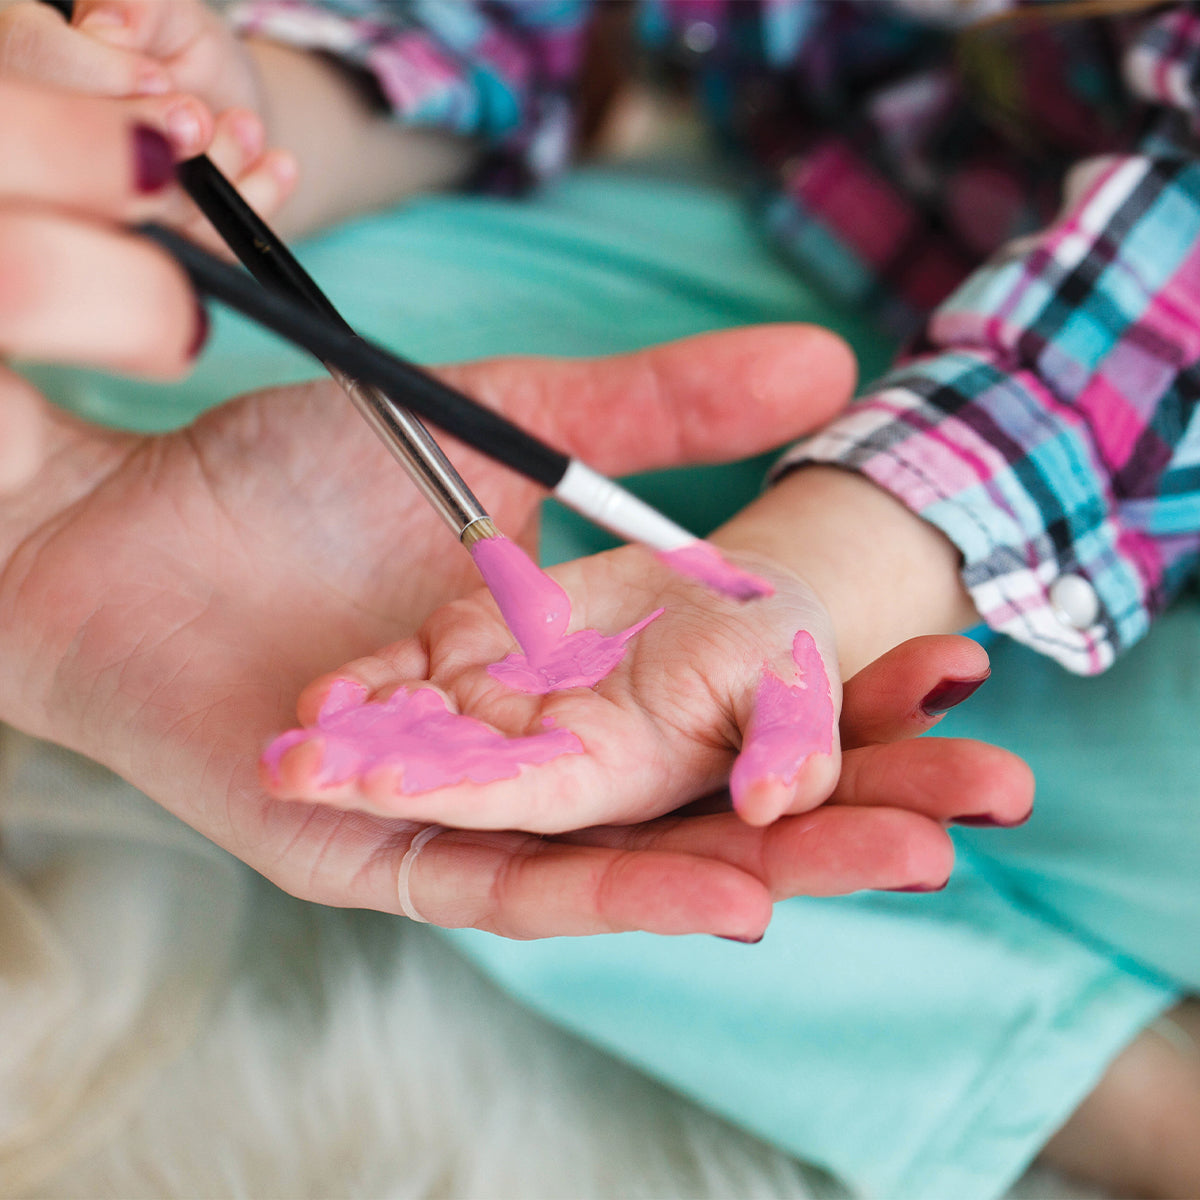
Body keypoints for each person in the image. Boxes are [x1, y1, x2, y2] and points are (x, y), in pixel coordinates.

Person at [2, 1, 1196, 1197]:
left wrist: (823, 572)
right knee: (180, 392)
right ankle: (1037, 1054)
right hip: (862, 227)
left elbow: (1150, 327)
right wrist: (257, 116)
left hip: (1102, 410)